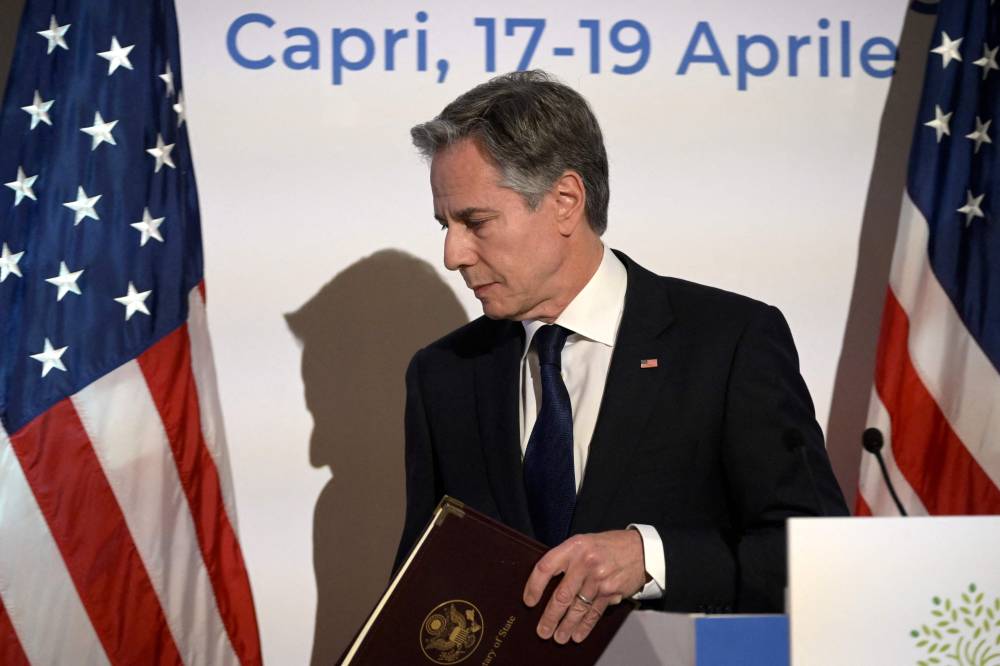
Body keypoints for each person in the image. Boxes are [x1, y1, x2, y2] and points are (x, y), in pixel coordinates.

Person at [394, 70, 848, 645]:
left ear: (564, 201)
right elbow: (424, 589)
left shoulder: (729, 341)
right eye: (445, 224)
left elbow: (816, 554)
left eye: (475, 222)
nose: (452, 253)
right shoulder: (444, 376)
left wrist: (650, 555)